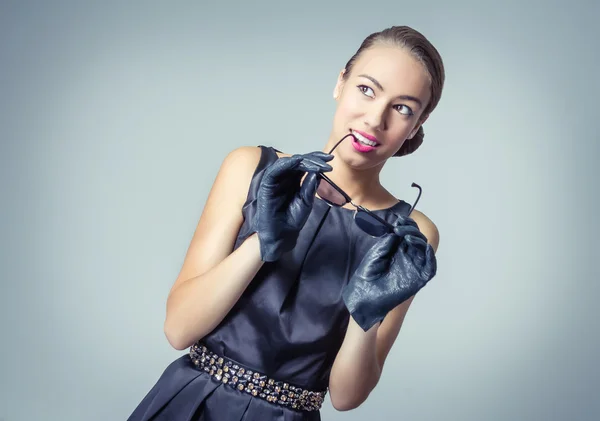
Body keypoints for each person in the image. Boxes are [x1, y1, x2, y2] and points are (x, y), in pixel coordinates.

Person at [128, 24, 445, 421]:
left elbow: (347, 397)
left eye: (402, 108)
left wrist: (368, 314)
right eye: (366, 89)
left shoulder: (410, 236)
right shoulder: (251, 168)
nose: (374, 119)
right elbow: (178, 330)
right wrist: (261, 244)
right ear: (340, 83)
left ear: (416, 126)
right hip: (193, 405)